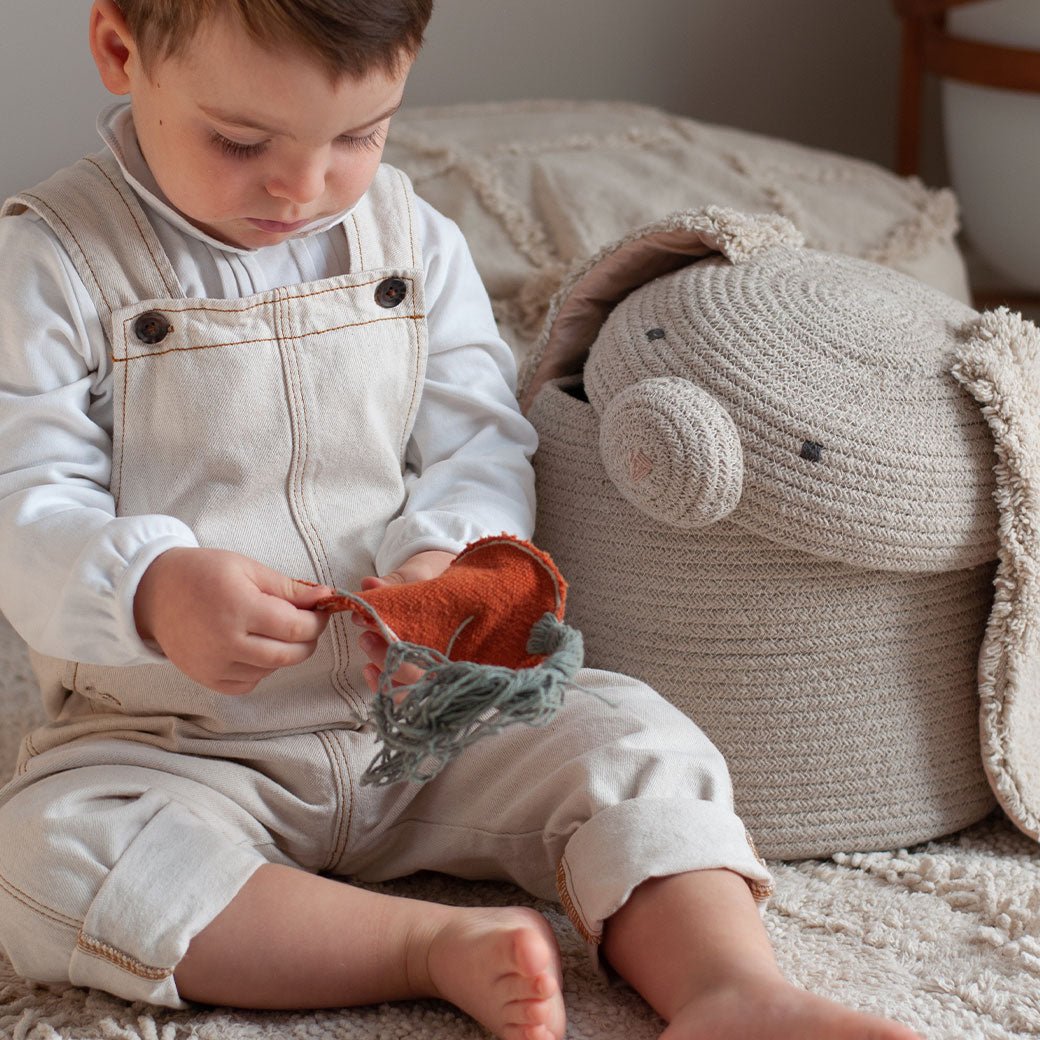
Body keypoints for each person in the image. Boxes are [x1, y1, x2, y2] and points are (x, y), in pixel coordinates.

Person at [0, 3, 923, 1038]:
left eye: (359, 135)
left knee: (635, 736)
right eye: (241, 140)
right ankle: (423, 945)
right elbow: (21, 500)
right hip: (176, 737)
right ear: (123, 53)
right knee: (47, 855)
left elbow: (480, 437)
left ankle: (726, 987)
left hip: (434, 708)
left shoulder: (412, 239)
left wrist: (447, 557)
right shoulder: (45, 266)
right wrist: (148, 586)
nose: (301, 187)